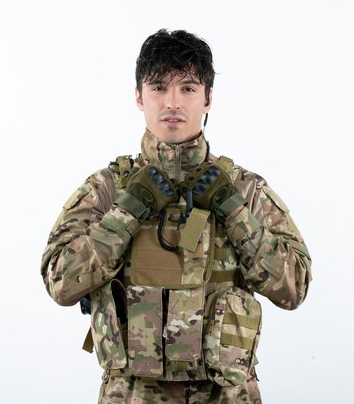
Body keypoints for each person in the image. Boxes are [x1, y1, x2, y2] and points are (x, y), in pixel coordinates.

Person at [40, 29, 312, 404]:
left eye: (187, 88)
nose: (172, 102)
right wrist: (126, 214)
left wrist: (234, 214)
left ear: (208, 99)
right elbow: (60, 282)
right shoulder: (106, 189)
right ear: (138, 97)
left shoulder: (245, 190)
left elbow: (294, 288)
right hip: (132, 395)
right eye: (157, 88)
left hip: (226, 395)